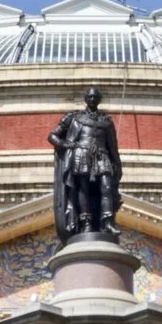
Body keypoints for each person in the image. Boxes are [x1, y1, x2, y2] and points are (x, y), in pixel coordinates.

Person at [49, 87, 121, 241]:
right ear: (86, 99)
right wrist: (65, 144)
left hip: (102, 155)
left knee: (107, 187)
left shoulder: (106, 121)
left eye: (95, 97)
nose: (92, 99)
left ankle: (107, 222)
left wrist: (117, 164)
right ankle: (85, 222)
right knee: (83, 189)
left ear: (99, 99)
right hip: (81, 154)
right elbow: (53, 136)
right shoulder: (74, 118)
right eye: (90, 97)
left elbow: (113, 146)